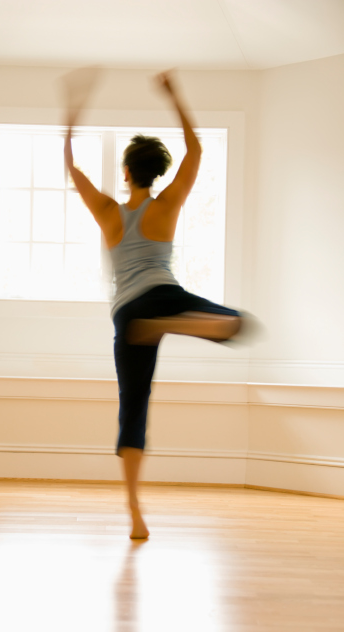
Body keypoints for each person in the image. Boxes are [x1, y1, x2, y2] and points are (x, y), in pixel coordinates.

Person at [64, 70, 242, 539]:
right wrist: (174, 93)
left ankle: (135, 513)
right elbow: (197, 151)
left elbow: (71, 167)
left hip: (128, 313)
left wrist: (72, 116)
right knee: (237, 323)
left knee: (133, 408)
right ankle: (181, 324)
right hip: (166, 296)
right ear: (155, 172)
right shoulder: (166, 206)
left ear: (126, 172)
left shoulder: (107, 212)